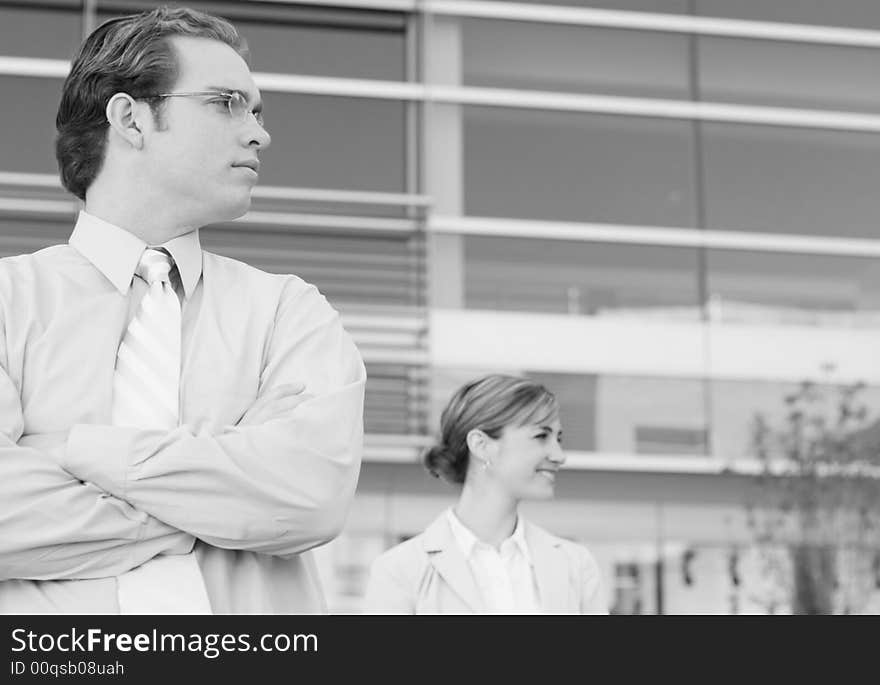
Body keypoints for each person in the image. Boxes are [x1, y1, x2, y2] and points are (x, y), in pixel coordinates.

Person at [0, 6, 365, 614]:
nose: (259, 132)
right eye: (226, 103)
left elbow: (308, 497)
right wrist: (215, 512)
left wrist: (75, 450)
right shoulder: (6, 300)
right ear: (131, 118)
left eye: (256, 111)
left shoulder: (288, 311)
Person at [363, 374, 606, 614]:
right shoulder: (400, 570)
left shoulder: (576, 565)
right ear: (481, 445)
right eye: (541, 436)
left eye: (558, 439)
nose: (558, 455)